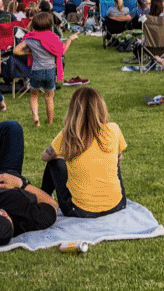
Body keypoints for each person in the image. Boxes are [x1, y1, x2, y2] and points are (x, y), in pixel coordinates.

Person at [40, 86, 127, 217]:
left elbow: (45, 157)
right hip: (118, 205)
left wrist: (65, 156)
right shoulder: (113, 129)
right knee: (116, 156)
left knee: (54, 163)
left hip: (80, 210)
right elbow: (118, 156)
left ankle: (43, 196)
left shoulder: (67, 135)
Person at [13, 11, 77, 127]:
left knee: (33, 96)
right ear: (50, 25)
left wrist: (28, 52)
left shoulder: (30, 39)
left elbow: (15, 50)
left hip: (36, 71)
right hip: (50, 71)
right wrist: (70, 39)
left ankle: (36, 118)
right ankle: (50, 122)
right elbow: (61, 51)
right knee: (49, 97)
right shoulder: (53, 37)